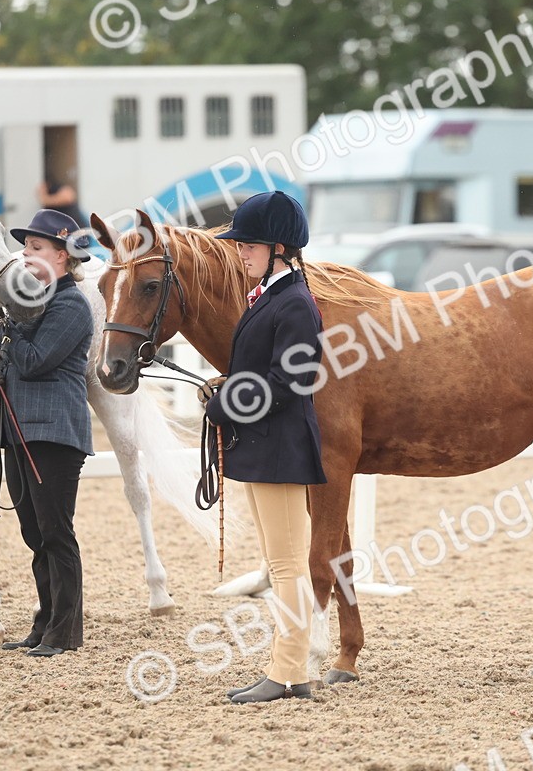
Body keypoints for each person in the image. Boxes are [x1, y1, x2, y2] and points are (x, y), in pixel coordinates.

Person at [199, 191, 327, 703]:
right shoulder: (271, 296)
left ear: (278, 248)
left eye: (249, 245)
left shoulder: (295, 302)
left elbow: (291, 380)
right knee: (282, 563)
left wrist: (228, 402)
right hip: (264, 445)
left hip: (280, 447)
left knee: (287, 565)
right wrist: (227, 385)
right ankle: (289, 669)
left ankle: (290, 671)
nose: (240, 252)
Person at [0, 208, 95, 657]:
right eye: (26, 247)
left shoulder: (71, 304)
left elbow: (34, 361)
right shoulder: (36, 303)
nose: (25, 254)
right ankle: (45, 622)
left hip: (53, 433)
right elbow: (17, 363)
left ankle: (64, 632)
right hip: (20, 431)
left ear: (60, 256)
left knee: (56, 532)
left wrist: (7, 331)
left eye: (35, 248)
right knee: (35, 535)